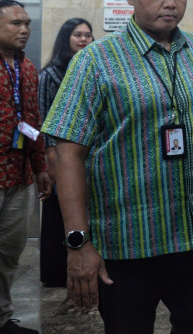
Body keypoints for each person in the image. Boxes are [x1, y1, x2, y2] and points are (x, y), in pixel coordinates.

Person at [41, 0, 193, 334]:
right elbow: (67, 155)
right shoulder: (94, 62)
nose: (171, 2)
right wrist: (78, 242)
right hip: (126, 246)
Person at [0, 0, 51, 334]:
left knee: (9, 252)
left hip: (19, 174)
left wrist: (41, 167)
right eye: (16, 23)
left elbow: (31, 120)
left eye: (27, 23)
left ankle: (2, 318)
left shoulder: (28, 68)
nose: (24, 29)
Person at [37, 18, 93, 289]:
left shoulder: (91, 69)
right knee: (58, 212)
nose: (83, 40)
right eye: (77, 35)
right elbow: (44, 117)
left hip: (84, 154)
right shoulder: (50, 74)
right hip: (57, 154)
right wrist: (50, 158)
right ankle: (56, 271)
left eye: (87, 35)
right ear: (65, 39)